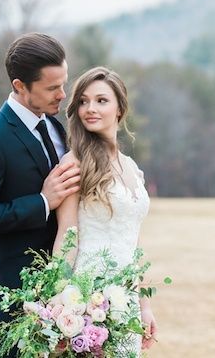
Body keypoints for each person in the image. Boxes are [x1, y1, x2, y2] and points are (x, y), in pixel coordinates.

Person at [0, 33, 80, 357]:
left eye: (63, 83)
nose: (63, 95)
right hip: (15, 305)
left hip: (65, 305)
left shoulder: (55, 126)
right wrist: (41, 202)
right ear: (20, 86)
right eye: (52, 88)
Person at [52, 66, 157, 354]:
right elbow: (67, 233)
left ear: (120, 109)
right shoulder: (74, 163)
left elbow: (134, 245)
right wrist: (58, 297)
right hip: (87, 297)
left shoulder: (133, 169)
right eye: (83, 101)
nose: (90, 109)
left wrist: (144, 305)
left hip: (127, 302)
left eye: (101, 100)